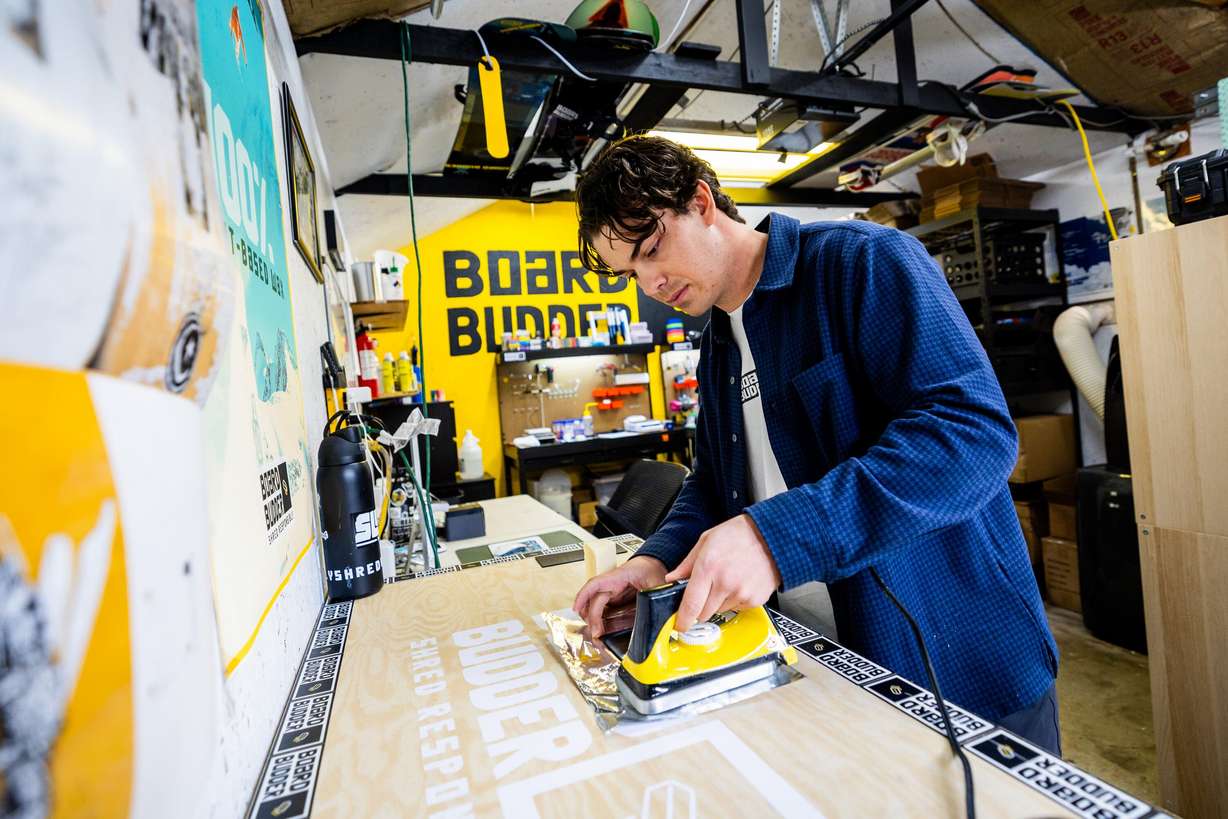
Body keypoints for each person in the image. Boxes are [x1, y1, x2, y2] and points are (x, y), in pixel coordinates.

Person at [570, 135, 1061, 755]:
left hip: (959, 663)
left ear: (700, 202)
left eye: (651, 249)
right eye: (630, 273)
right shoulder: (719, 339)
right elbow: (716, 482)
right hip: (827, 666)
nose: (651, 283)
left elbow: (973, 435)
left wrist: (776, 537)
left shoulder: (862, 264)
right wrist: (656, 562)